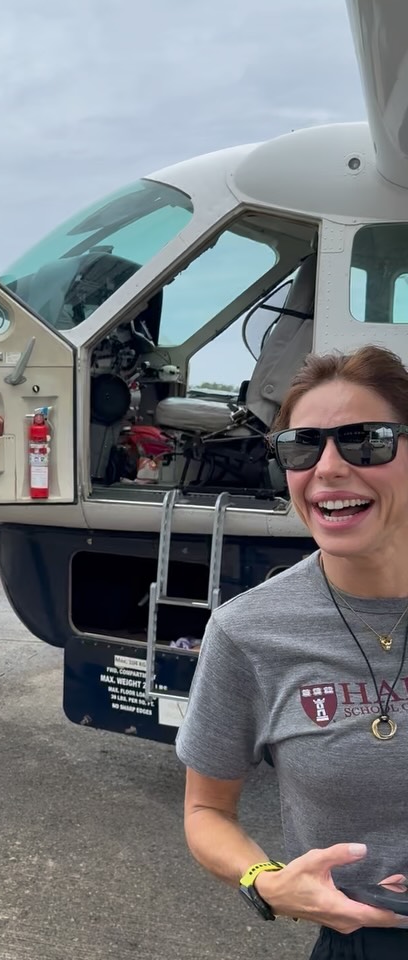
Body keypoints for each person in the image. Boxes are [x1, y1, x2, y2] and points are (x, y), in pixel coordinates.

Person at [174, 343, 408, 960]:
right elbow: (206, 810)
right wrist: (265, 881)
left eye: (366, 442)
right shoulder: (249, 631)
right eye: (302, 447)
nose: (327, 468)